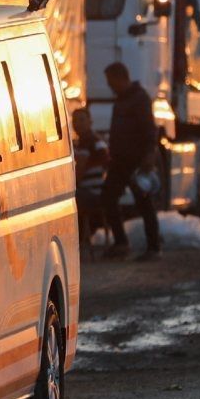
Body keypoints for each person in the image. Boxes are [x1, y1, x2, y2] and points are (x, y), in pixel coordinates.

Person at [100, 63, 162, 260]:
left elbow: (149, 130)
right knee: (108, 197)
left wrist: (149, 155)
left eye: (111, 82)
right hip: (119, 161)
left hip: (137, 161)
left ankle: (154, 248)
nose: (110, 87)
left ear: (120, 78)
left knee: (144, 204)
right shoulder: (121, 100)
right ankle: (121, 243)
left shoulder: (139, 99)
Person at [72, 108, 109, 252]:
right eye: (75, 120)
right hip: (91, 192)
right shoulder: (83, 142)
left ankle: (78, 242)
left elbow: (80, 169)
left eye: (82, 120)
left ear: (90, 121)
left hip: (93, 193)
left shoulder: (92, 141)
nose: (78, 124)